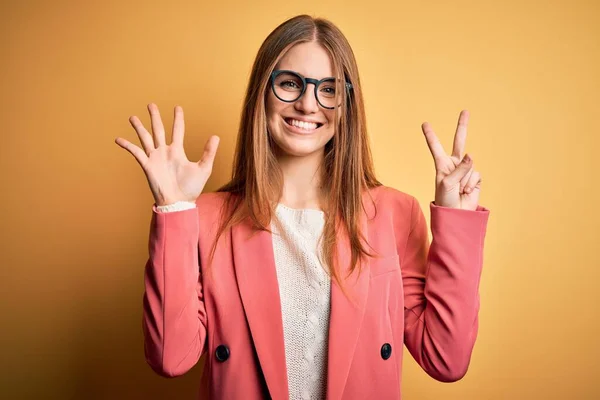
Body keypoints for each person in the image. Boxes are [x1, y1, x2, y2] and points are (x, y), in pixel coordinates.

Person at [115, 14, 490, 400]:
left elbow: (446, 359)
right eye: (290, 84)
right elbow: (170, 358)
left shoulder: (394, 213)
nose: (308, 104)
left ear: (347, 105)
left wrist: (457, 220)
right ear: (263, 91)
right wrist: (174, 208)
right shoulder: (208, 217)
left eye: (328, 89)